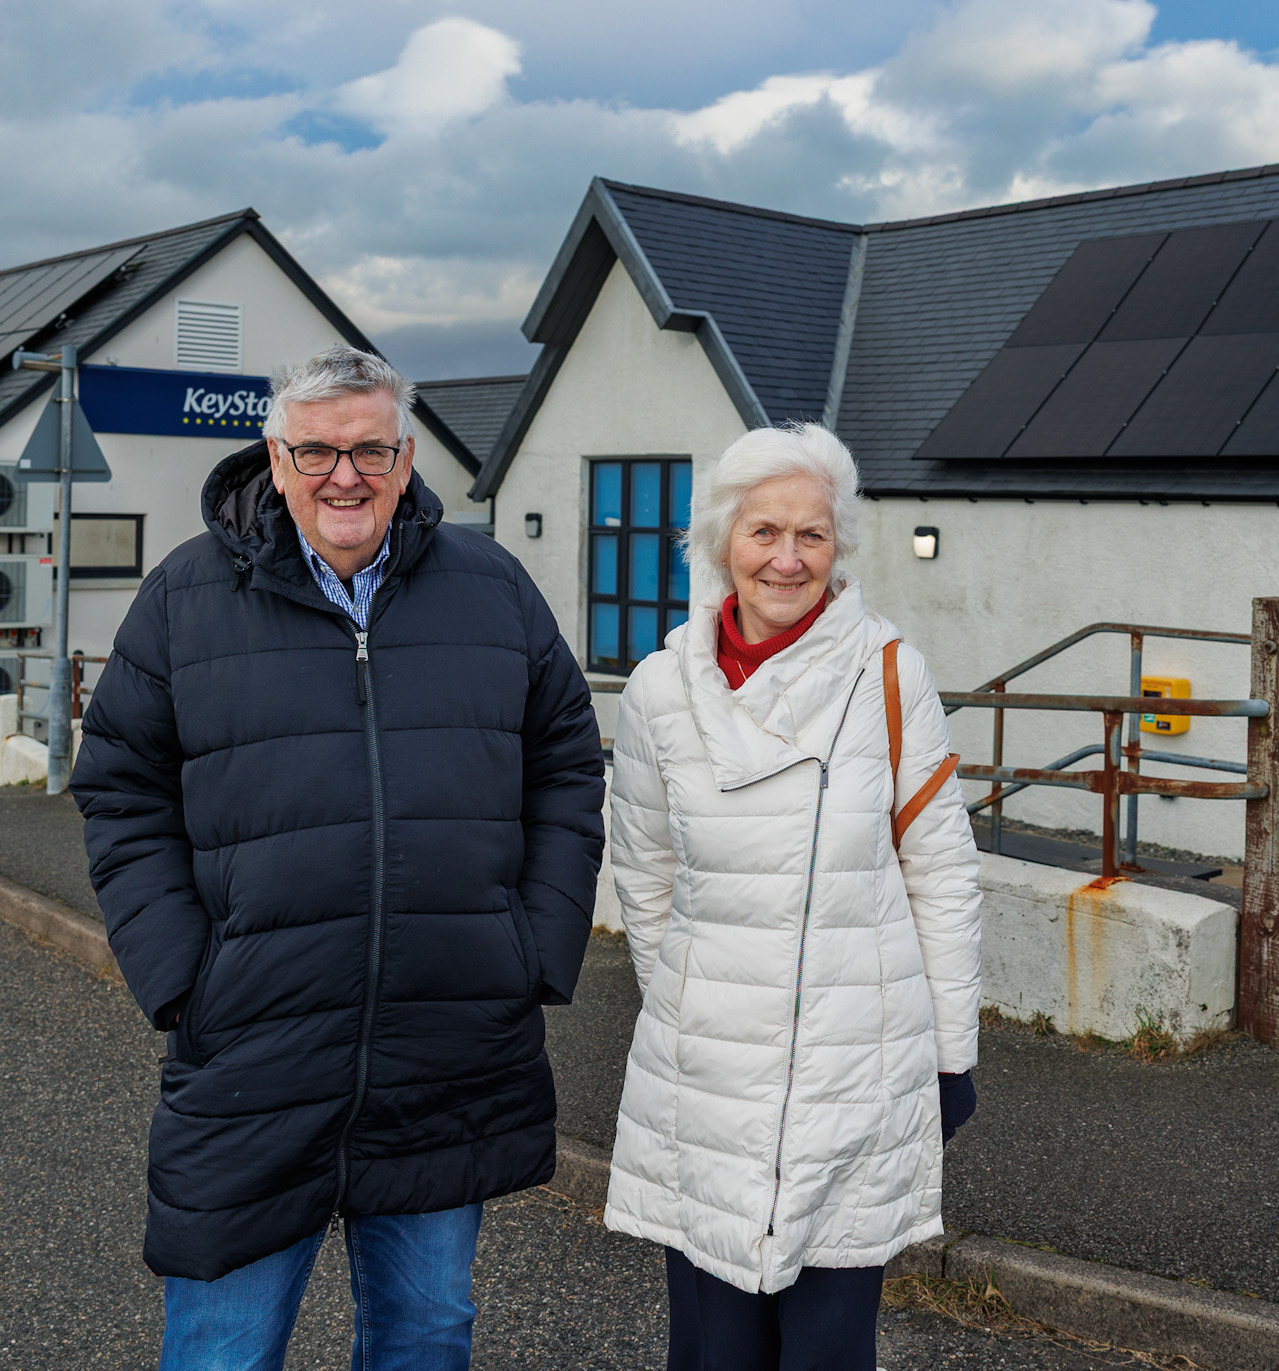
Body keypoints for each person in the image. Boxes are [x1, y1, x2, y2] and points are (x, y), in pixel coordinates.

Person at [70, 345, 605, 1370]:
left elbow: (567, 760)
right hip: (252, 1051)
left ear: (406, 461)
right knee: (222, 1351)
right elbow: (120, 786)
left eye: (369, 450)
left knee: (426, 1337)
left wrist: (533, 946)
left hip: (445, 1051)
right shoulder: (185, 598)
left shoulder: (492, 590)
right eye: (316, 450)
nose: (344, 476)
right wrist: (184, 976)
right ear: (275, 460)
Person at [604, 423, 982, 1369]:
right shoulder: (659, 691)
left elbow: (939, 871)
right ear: (723, 543)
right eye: (764, 531)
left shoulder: (889, 674)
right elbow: (644, 874)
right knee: (713, 1346)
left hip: (855, 1072)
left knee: (828, 1348)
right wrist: (690, 1007)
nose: (787, 557)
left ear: (839, 546)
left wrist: (950, 1050)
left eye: (811, 534)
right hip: (709, 1080)